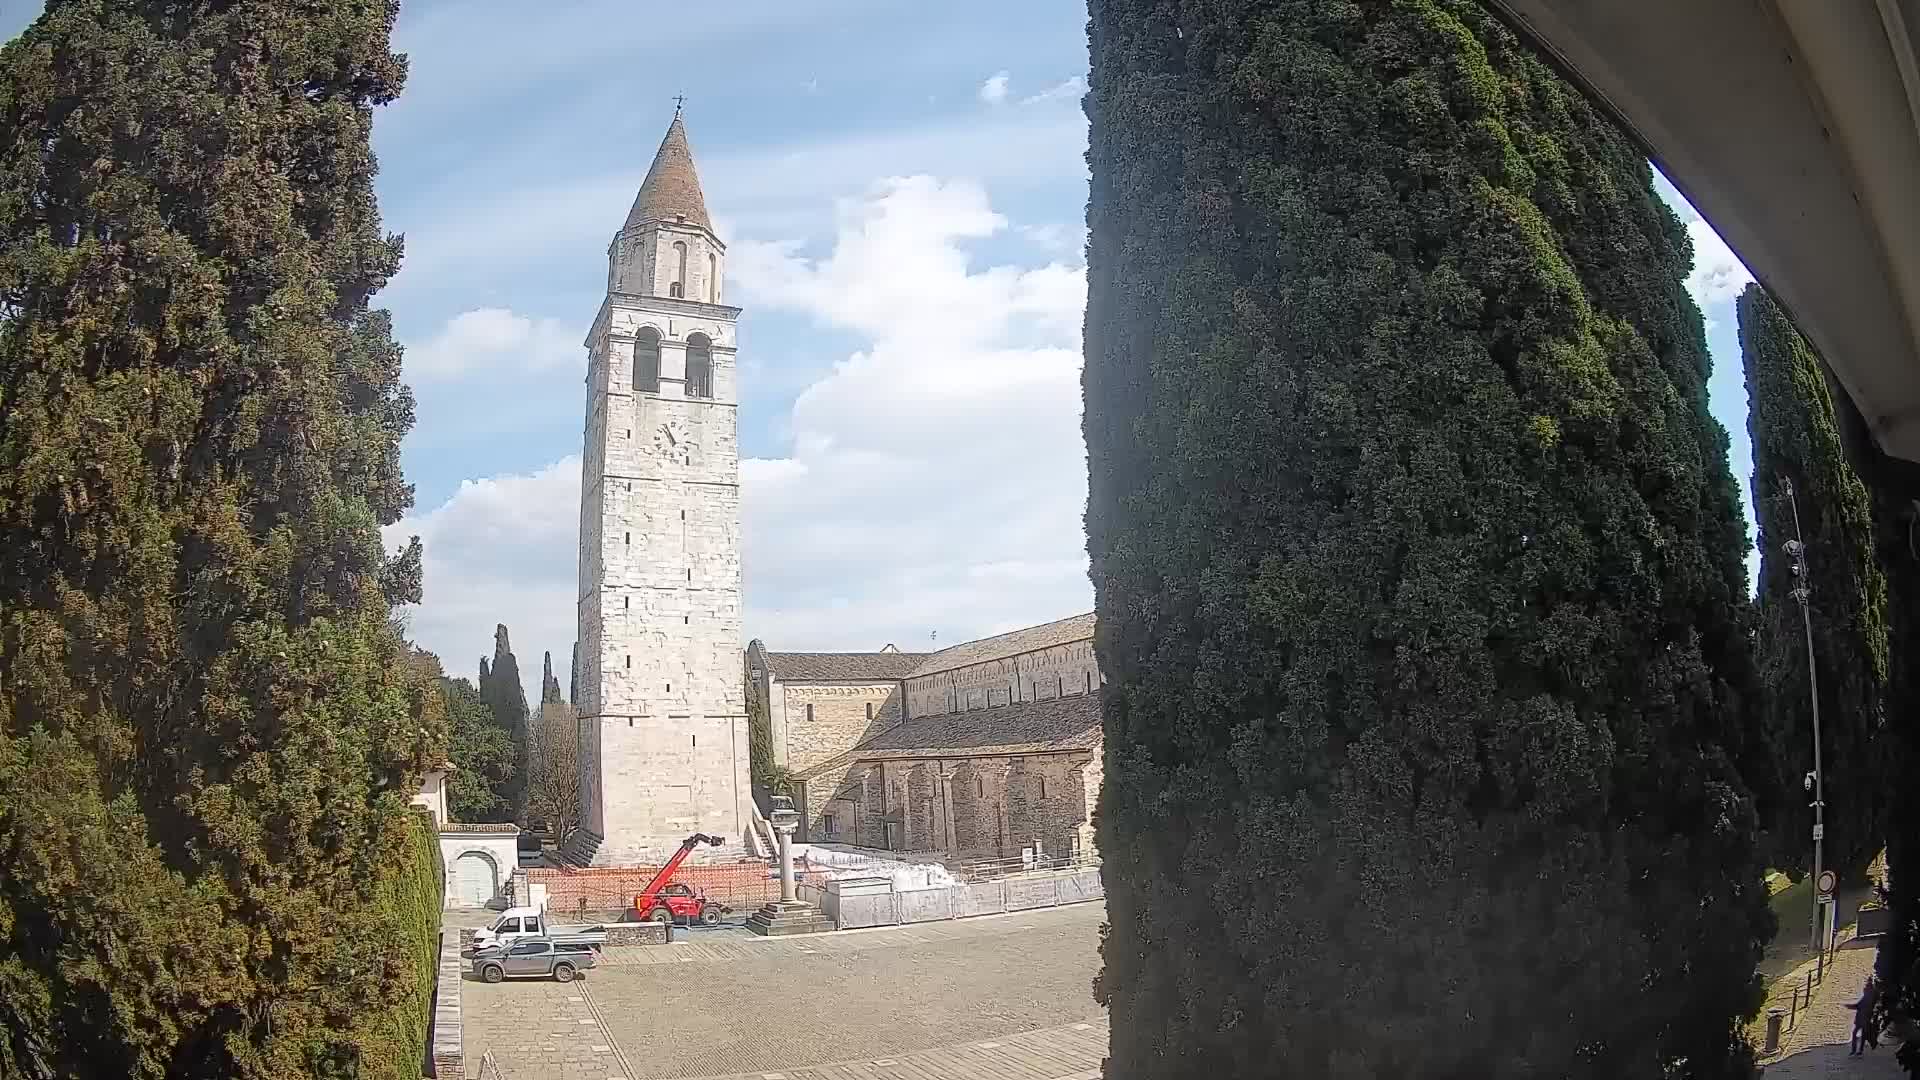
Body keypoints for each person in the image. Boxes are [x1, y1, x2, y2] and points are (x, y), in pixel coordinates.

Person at [1849, 976, 1881, 1056]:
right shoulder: (1870, 993)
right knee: (1860, 1033)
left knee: (1859, 1033)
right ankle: (1858, 1050)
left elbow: (1860, 1005)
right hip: (1863, 1016)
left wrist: (1851, 1006)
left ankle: (1856, 1050)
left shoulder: (1872, 993)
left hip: (1864, 1016)